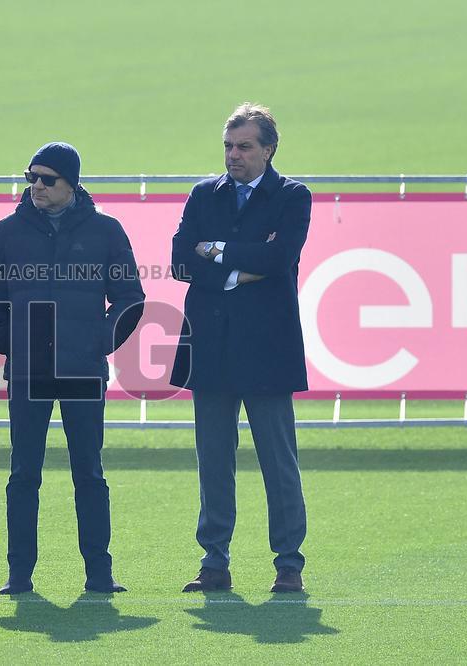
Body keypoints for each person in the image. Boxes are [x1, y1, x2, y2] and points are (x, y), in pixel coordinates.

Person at [0, 142, 145, 595]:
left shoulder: (106, 231)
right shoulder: (8, 232)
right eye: (31, 177)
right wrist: (10, 343)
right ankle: (19, 576)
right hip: (28, 371)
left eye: (47, 179)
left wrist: (98, 344)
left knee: (88, 472)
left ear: (72, 183)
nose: (37, 187)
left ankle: (100, 575)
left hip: (83, 371)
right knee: (23, 474)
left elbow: (131, 299)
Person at [169, 103, 311, 593]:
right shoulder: (204, 194)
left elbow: (279, 258)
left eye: (245, 147)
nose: (234, 155)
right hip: (210, 343)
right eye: (229, 146)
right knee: (213, 460)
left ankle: (288, 562)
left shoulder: (292, 196)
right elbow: (180, 261)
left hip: (267, 346)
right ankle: (214, 563)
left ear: (269, 149)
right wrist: (242, 265)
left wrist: (219, 252)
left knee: (278, 458)